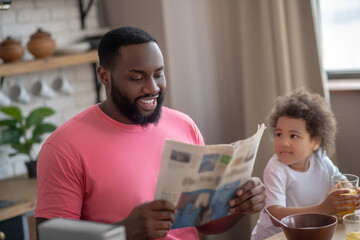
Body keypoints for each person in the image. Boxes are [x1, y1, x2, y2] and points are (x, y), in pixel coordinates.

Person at [35, 26, 266, 240]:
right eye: (137, 77)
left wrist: (241, 206)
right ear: (105, 77)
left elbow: (206, 224)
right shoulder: (64, 147)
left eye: (158, 74)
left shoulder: (183, 125)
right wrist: (124, 231)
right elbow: (53, 237)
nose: (153, 88)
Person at [251, 88, 360, 240]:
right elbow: (276, 216)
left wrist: (353, 196)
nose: (284, 142)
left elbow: (344, 183)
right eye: (279, 134)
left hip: (306, 233)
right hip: (274, 237)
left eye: (294, 136)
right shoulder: (275, 168)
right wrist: (323, 208)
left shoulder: (321, 158)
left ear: (315, 142)